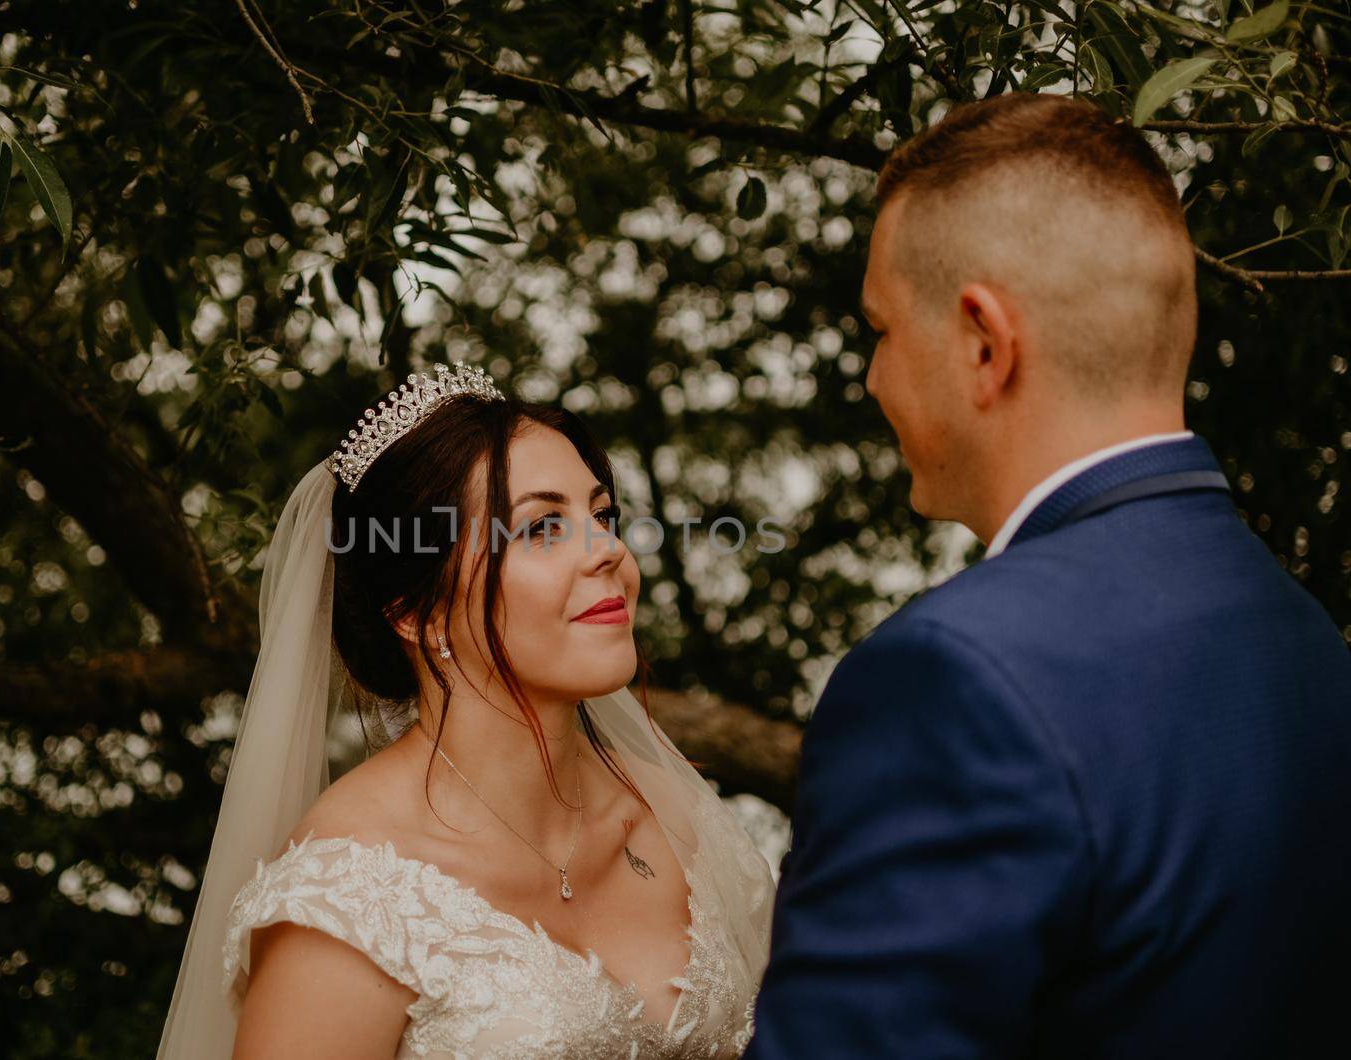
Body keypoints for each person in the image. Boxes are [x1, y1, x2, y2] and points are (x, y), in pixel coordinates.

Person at [744, 92, 1351, 1059]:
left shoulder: (952, 680)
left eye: (883, 330)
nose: (872, 380)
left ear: (984, 343)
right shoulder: (1302, 634)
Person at [156, 362, 775, 1059]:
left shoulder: (673, 813)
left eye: (602, 515)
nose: (608, 551)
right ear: (418, 613)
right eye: (542, 528)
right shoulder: (351, 904)